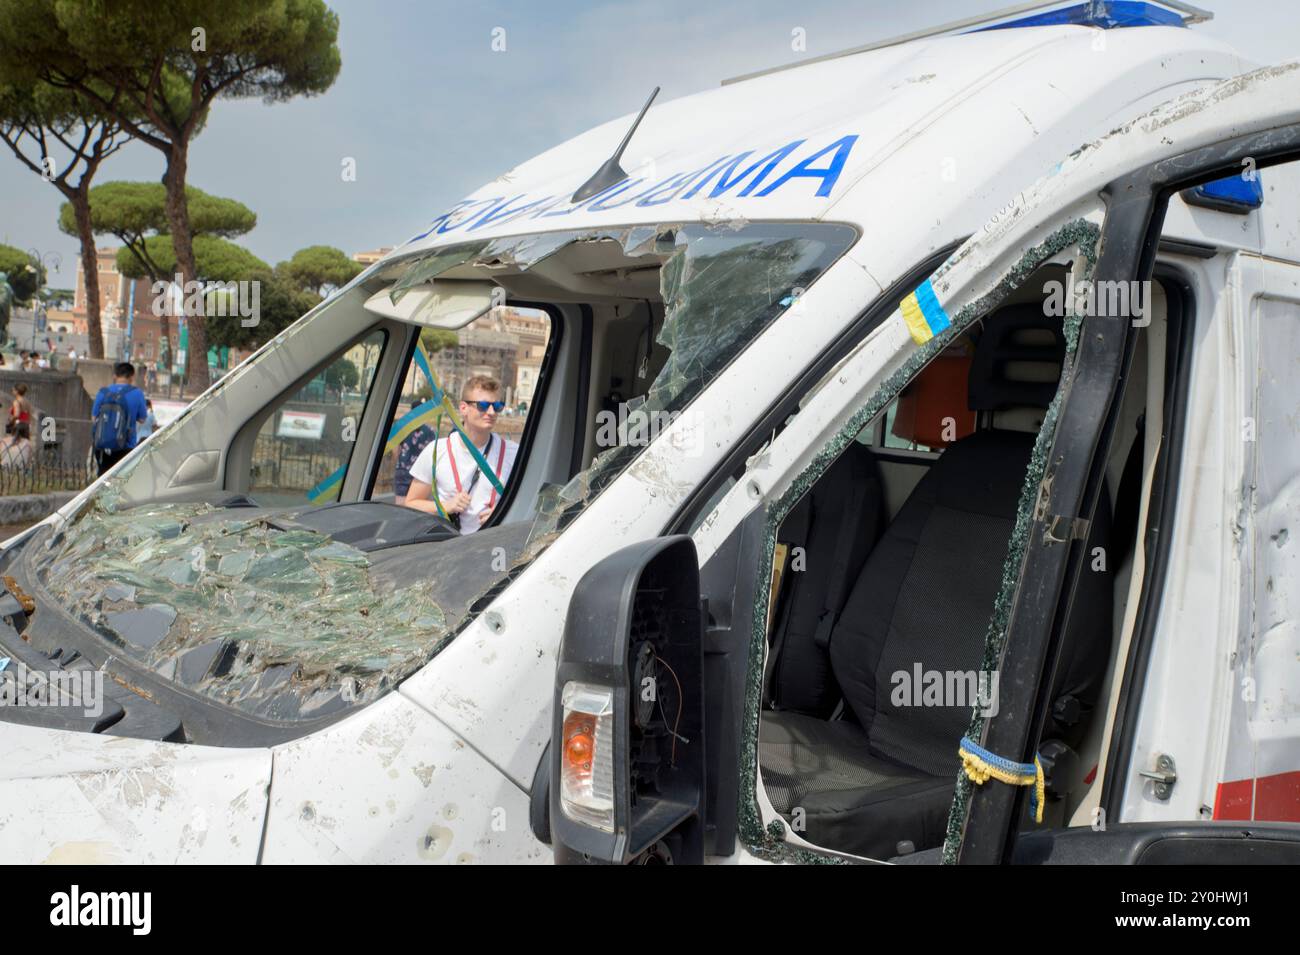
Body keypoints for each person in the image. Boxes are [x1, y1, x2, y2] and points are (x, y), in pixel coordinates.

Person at [404, 376, 518, 534]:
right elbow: (411, 503)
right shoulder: (436, 450)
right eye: (483, 405)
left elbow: (531, 499)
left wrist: (505, 511)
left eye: (497, 406)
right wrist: (446, 506)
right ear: (463, 408)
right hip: (450, 547)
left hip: (494, 545)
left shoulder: (513, 453)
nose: (491, 412)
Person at [91, 362, 148, 476]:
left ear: (115, 376)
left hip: (102, 445)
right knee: (122, 481)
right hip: (126, 445)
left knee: (103, 479)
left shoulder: (103, 392)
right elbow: (142, 419)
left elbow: (94, 418)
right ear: (132, 377)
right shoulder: (137, 393)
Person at [392, 422, 437, 506]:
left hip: (403, 468)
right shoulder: (430, 430)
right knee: (417, 503)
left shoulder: (403, 428)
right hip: (420, 472)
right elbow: (433, 451)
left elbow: (395, 449)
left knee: (400, 503)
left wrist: (398, 463)